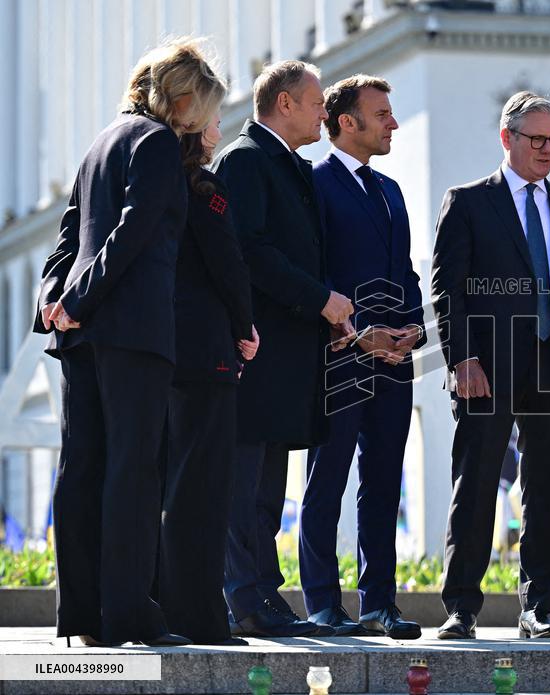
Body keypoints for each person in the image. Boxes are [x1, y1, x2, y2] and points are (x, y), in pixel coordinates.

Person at [33, 38, 226, 647]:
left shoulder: (100, 142)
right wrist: (79, 301)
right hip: (134, 330)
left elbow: (69, 236)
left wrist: (55, 302)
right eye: (203, 106)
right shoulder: (157, 142)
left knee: (81, 468)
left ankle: (81, 617)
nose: (204, 120)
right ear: (181, 97)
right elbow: (133, 232)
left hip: (81, 335)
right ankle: (129, 615)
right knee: (134, 473)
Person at [431, 92, 550, 640]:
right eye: (537, 140)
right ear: (507, 138)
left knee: (546, 493)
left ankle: (538, 610)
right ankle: (461, 608)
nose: (548, 150)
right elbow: (448, 291)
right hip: (486, 368)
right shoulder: (467, 202)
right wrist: (462, 358)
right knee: (477, 487)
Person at [212, 60, 353, 638]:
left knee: (267, 491)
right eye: (317, 103)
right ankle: (244, 601)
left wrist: (326, 312)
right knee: (244, 486)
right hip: (256, 352)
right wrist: (321, 300)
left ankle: (265, 596)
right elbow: (249, 251)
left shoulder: (287, 163)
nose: (325, 114)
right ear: (285, 104)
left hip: (286, 355)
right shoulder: (246, 160)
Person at [300, 74, 425, 638]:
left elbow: (407, 273)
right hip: (338, 357)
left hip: (395, 362)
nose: (393, 122)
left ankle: (379, 604)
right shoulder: (313, 183)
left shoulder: (392, 190)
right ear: (346, 122)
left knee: (383, 481)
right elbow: (315, 273)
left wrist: (414, 329)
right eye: (382, 114)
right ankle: (323, 603)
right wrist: (357, 334)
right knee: (326, 479)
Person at [156, 111, 258, 645]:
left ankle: (165, 607)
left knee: (169, 485)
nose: (221, 127)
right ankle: (200, 616)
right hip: (207, 351)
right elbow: (227, 262)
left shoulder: (153, 179)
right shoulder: (204, 186)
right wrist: (245, 325)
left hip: (160, 349)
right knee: (206, 488)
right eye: (214, 117)